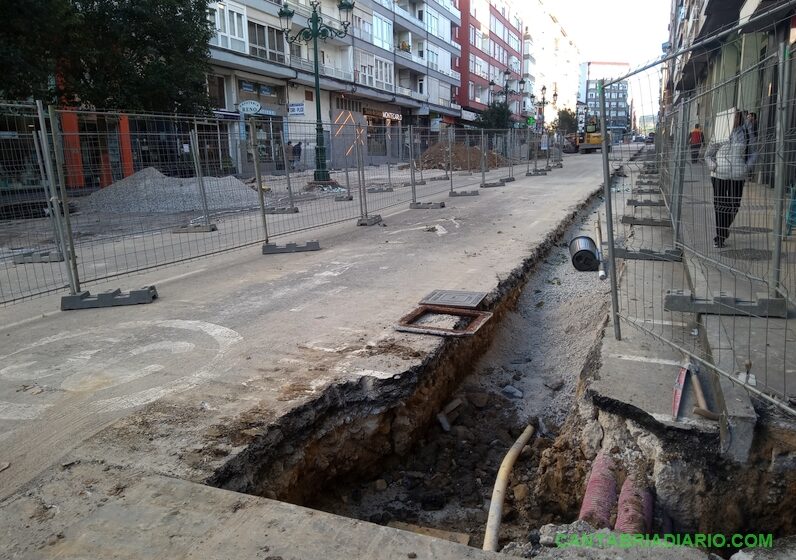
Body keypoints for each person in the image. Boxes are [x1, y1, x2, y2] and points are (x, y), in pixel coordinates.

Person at [704, 110, 755, 249]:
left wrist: (746, 167)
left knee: (734, 205)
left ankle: (723, 230)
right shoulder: (720, 133)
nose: (735, 119)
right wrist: (713, 166)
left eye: (738, 116)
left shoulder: (745, 133)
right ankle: (720, 236)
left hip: (738, 176)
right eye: (733, 116)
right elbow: (708, 155)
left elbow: (754, 152)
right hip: (719, 175)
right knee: (720, 206)